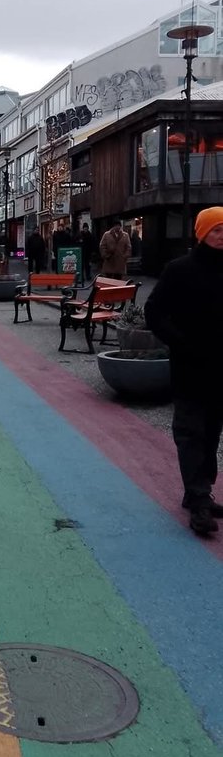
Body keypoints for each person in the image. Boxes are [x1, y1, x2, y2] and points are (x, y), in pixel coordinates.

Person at [144, 207, 223, 538]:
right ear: (203, 233)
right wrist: (180, 343)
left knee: (212, 434)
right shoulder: (180, 270)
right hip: (191, 368)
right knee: (191, 433)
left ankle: (199, 491)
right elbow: (154, 312)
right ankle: (200, 501)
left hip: (221, 370)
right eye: (218, 230)